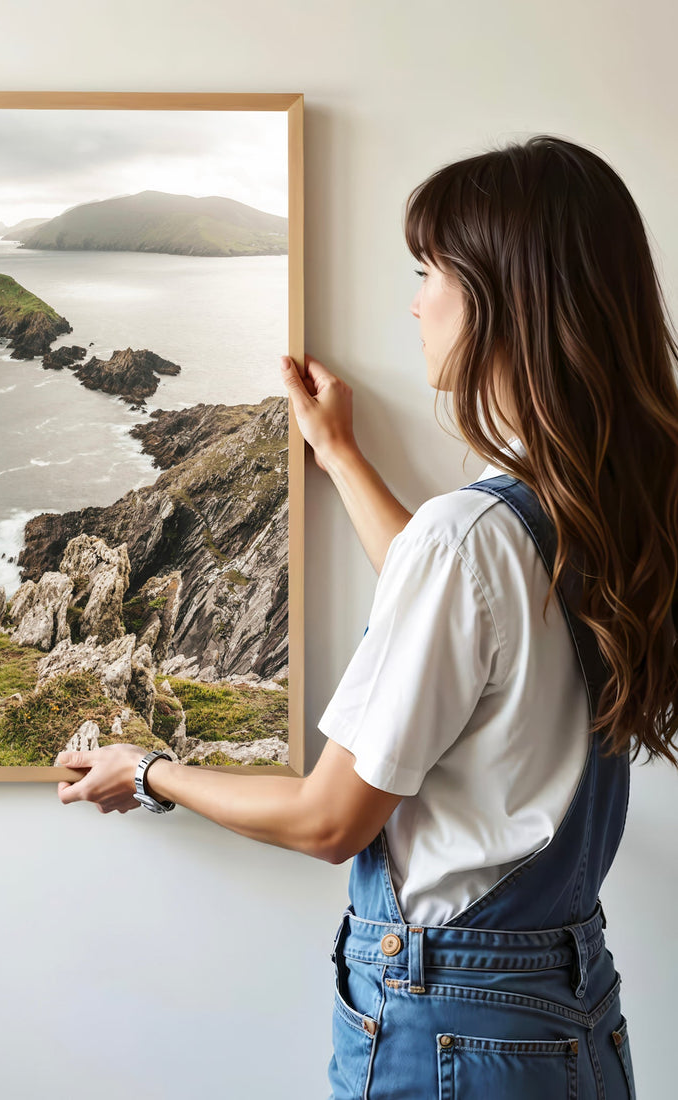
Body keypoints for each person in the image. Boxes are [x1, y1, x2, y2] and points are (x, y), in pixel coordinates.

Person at [53, 134, 678, 1098]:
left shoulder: (473, 535)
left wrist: (147, 771)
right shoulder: (601, 507)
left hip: (451, 1027)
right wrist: (341, 455)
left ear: (502, 299)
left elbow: (327, 819)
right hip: (567, 1010)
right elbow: (467, 621)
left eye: (430, 271)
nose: (415, 299)